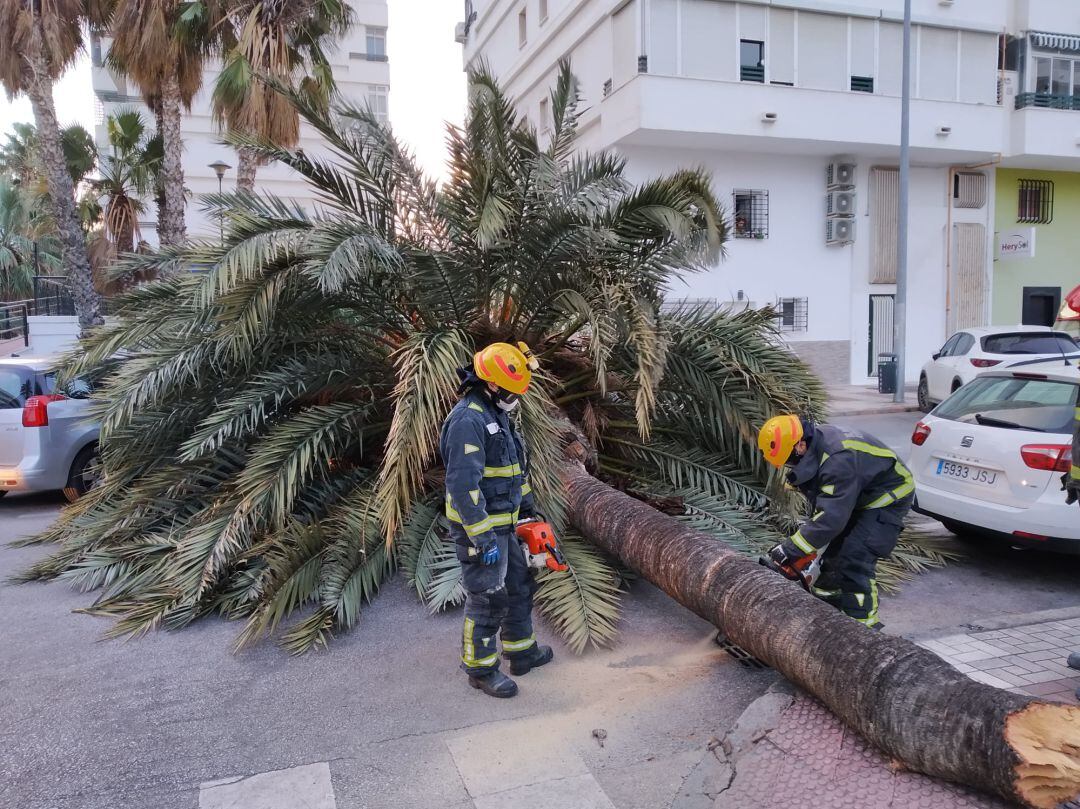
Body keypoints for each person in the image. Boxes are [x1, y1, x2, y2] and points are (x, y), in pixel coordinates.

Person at [438, 341, 553, 698]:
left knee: (519, 586)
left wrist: (529, 508)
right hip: (482, 530)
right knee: (488, 597)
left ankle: (521, 651)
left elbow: (515, 469)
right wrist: (481, 536)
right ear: (491, 384)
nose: (515, 397)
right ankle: (480, 670)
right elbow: (462, 484)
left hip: (507, 522)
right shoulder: (467, 420)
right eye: (511, 390)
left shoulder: (496, 414)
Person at [758, 414, 914, 630]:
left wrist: (790, 549)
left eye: (789, 460)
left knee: (855, 557)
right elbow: (825, 509)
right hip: (857, 494)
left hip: (888, 496)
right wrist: (803, 546)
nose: (788, 466)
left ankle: (863, 630)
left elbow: (831, 519)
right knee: (831, 557)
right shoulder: (815, 448)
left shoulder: (837, 459)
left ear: (800, 445)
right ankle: (830, 615)